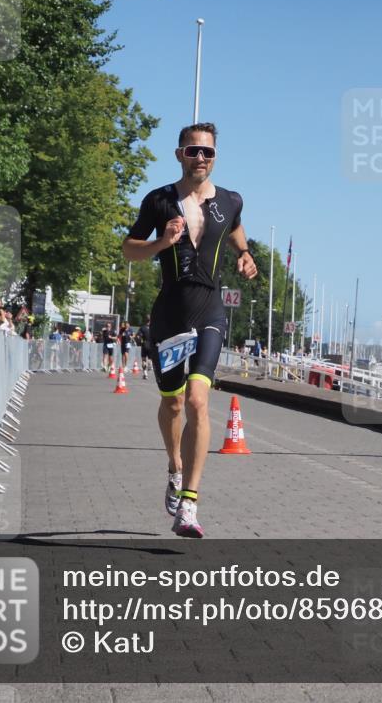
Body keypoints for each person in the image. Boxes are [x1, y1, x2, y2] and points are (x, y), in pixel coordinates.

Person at [122, 122, 258, 537]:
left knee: (199, 400)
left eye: (208, 152)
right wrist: (161, 243)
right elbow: (129, 249)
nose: (201, 158)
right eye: (193, 151)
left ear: (216, 157)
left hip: (210, 310)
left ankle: (190, 505)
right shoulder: (159, 200)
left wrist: (246, 255)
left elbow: (234, 230)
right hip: (169, 313)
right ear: (179, 154)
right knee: (174, 404)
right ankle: (174, 466)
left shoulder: (231, 200)